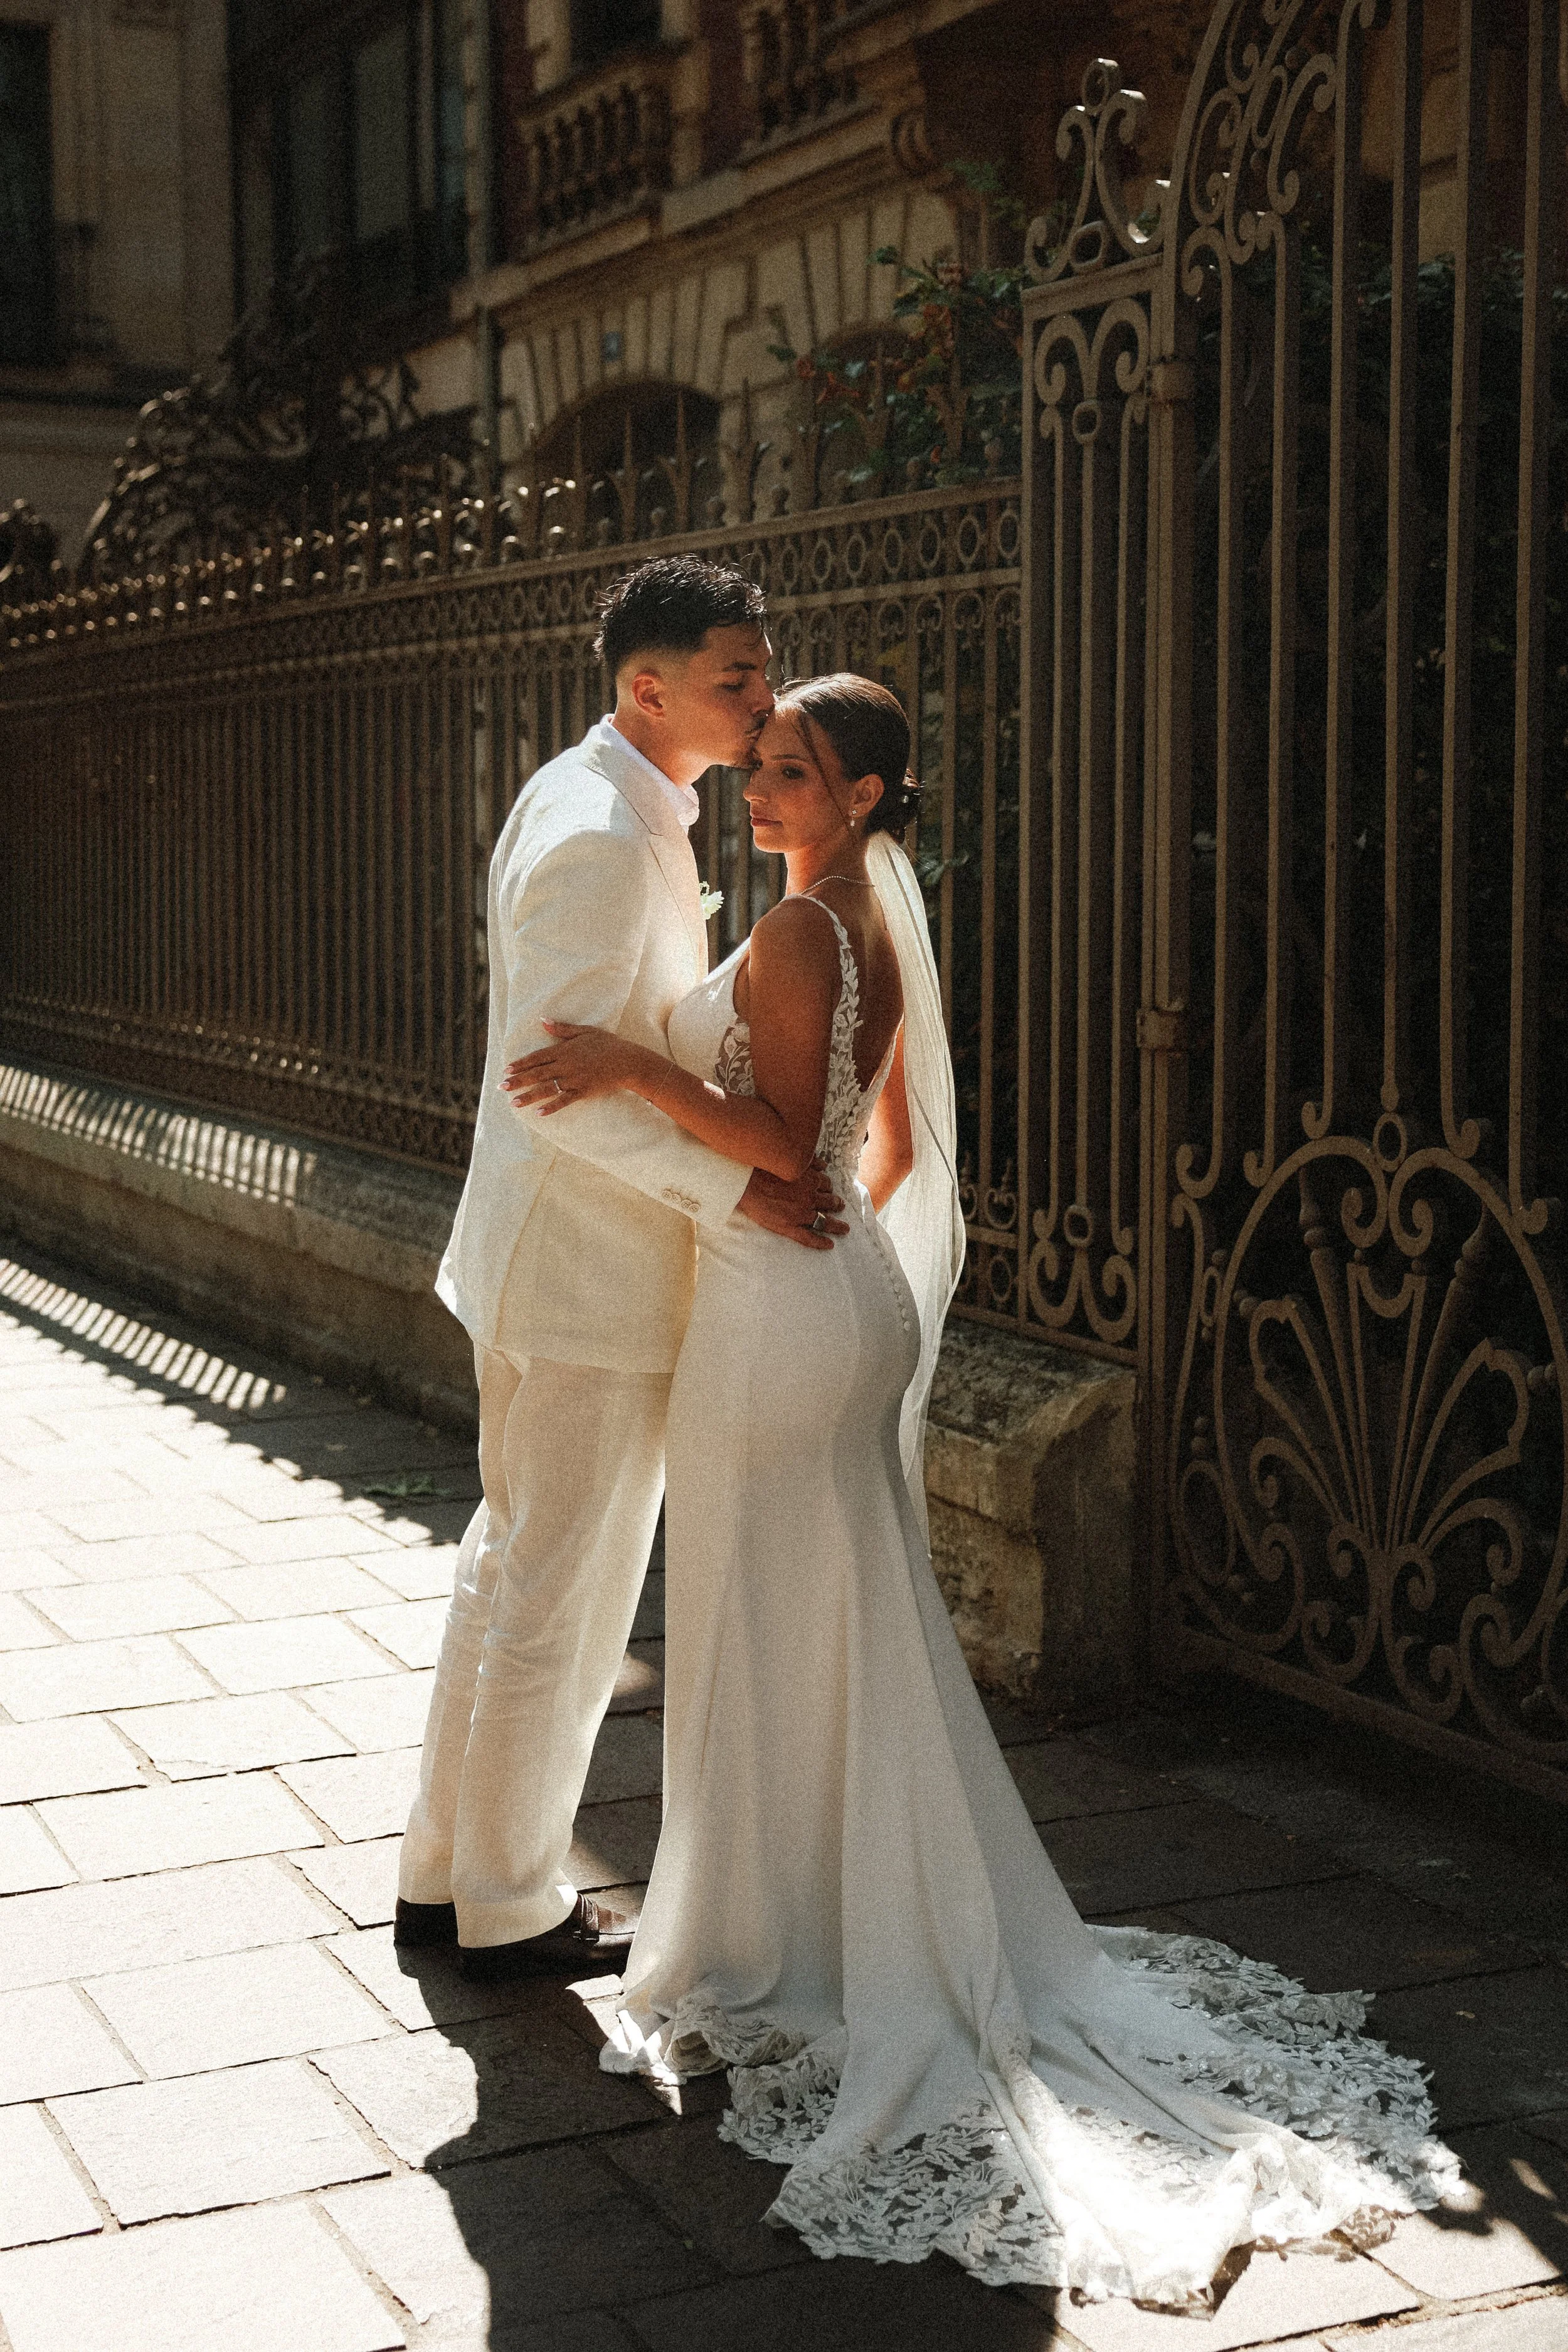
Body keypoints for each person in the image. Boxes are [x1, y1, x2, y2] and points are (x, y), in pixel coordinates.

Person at [504, 672, 1457, 2307]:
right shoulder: (869, 909)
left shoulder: (802, 927)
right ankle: (826, 1920)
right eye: (761, 762)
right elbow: (871, 1155)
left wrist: (619, 1065)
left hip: (782, 1313)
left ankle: (789, 1942)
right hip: (832, 1296)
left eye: (791, 770)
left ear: (864, 792)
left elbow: (782, 1147)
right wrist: (828, 1228)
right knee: (831, 1618)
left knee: (762, 1616)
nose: (759, 787)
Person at [396, 557, 845, 1981]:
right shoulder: (598, 830)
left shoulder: (606, 795)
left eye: (762, 669)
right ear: (648, 688)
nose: (764, 697)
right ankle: (510, 1905)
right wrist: (739, 1189)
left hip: (552, 1265)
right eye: (736, 676)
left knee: (512, 1570)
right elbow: (562, 1092)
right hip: (583, 1280)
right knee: (564, 1598)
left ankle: (446, 1879)